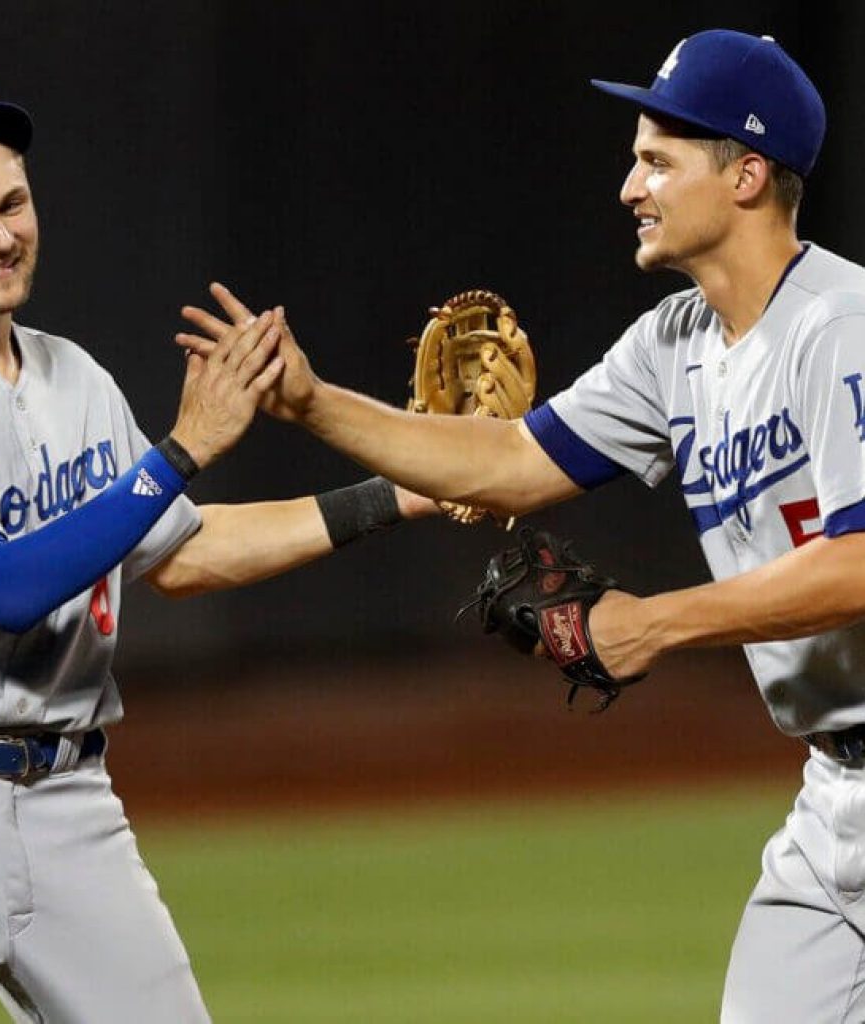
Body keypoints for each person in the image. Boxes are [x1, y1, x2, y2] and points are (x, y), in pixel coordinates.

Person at [183, 29, 865, 1022]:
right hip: (831, 795)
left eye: (657, 162)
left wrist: (654, 623)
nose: (630, 186)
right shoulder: (671, 346)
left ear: (747, 175)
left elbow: (856, 565)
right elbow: (507, 463)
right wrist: (313, 401)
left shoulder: (837, 325)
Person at [0, 85, 433, 1024]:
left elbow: (179, 551)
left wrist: (402, 493)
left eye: (13, 204)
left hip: (69, 800)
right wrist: (183, 449)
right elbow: (3, 585)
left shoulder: (73, 375)